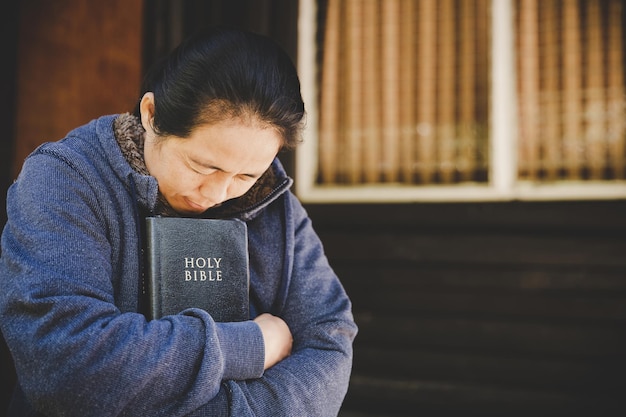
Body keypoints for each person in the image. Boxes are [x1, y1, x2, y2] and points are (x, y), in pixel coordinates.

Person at [0, 27, 357, 416]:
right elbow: (65, 366)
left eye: (245, 176)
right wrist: (252, 344)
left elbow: (328, 341)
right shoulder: (64, 180)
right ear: (151, 114)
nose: (218, 193)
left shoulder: (277, 204)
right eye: (202, 165)